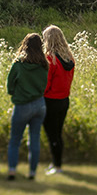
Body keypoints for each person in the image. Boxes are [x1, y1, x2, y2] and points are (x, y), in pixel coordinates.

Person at [5, 33, 49, 181]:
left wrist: (15, 93)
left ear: (25, 45)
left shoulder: (19, 64)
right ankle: (32, 172)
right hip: (40, 104)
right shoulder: (44, 64)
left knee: (15, 140)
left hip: (22, 104)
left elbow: (10, 86)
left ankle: (12, 170)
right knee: (34, 139)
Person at [42, 25, 76, 175]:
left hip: (50, 100)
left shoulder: (50, 58)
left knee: (52, 134)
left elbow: (46, 83)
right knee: (57, 133)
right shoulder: (69, 57)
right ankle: (56, 163)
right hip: (64, 100)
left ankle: (57, 166)